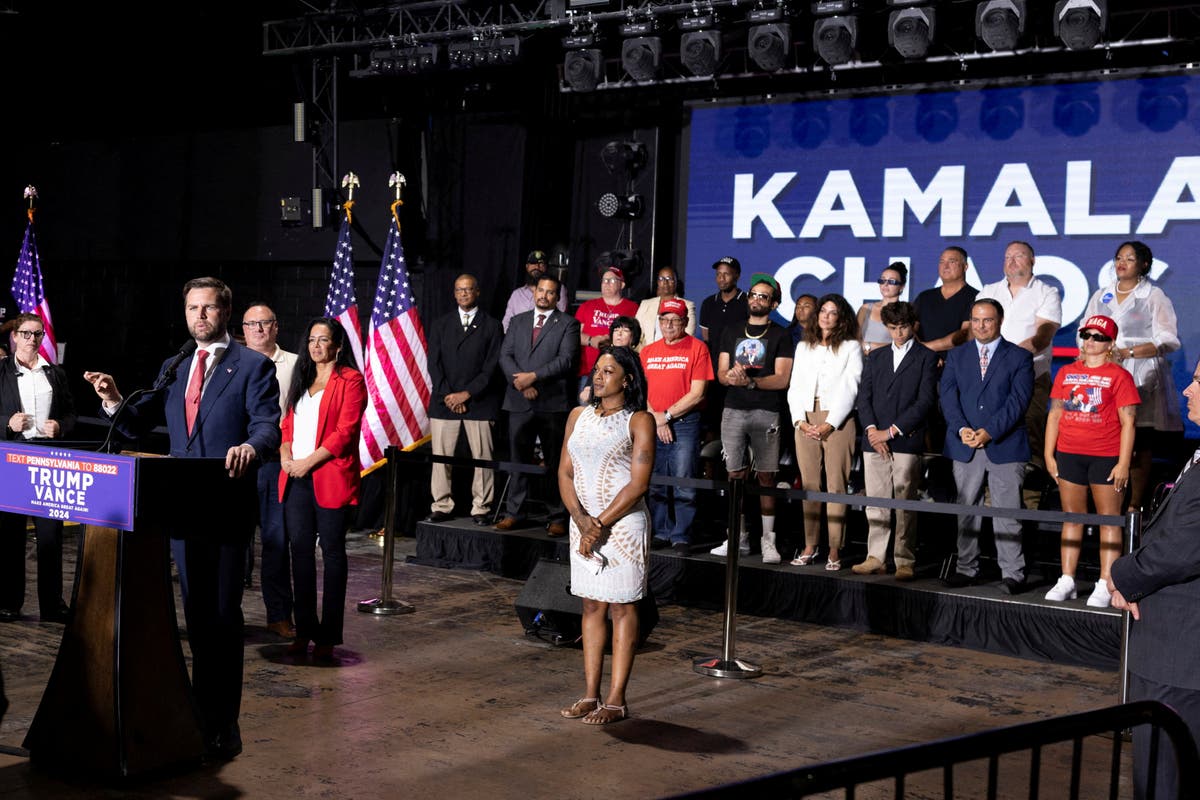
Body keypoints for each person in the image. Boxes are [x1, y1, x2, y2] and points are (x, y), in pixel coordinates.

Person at [84, 276, 280, 763]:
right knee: (196, 618)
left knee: (221, 617)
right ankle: (195, 713)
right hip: (182, 507)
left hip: (225, 505)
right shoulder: (175, 364)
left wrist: (250, 447)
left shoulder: (252, 366)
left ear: (225, 313)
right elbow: (136, 420)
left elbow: (268, 426)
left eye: (208, 309)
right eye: (193, 308)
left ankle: (223, 725)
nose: (200, 317)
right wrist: (113, 397)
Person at [1108, 356, 1200, 800]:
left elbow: (1184, 548)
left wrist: (1121, 575)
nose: (1186, 390)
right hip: (1171, 650)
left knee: (1166, 778)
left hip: (1181, 658)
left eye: (1198, 381)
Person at [557, 346, 655, 726]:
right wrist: (582, 521)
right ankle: (589, 693)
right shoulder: (578, 416)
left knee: (621, 607)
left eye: (608, 371)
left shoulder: (639, 419)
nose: (598, 376)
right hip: (581, 526)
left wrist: (598, 524)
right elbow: (564, 473)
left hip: (623, 527)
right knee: (591, 606)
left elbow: (638, 483)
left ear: (626, 379)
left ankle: (616, 699)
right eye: (597, 370)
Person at [278, 317, 367, 662]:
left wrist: (307, 462)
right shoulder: (301, 378)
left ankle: (327, 637)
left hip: (328, 476)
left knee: (331, 554)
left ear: (338, 345)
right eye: (312, 339)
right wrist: (286, 454)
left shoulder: (351, 380)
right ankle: (304, 631)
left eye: (323, 340)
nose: (316, 346)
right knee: (299, 554)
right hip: (295, 478)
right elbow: (287, 424)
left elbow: (345, 433)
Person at [1042, 315, 1139, 608]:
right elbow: (1055, 415)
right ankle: (1067, 579)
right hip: (1069, 453)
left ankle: (1105, 582)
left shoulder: (1120, 376)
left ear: (1110, 343)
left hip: (1106, 455)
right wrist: (1048, 454)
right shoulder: (1066, 373)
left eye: (1098, 337)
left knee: (1109, 521)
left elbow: (1129, 423)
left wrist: (1123, 463)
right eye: (1087, 335)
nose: (1091, 341)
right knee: (1072, 517)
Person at [939, 298, 1034, 594]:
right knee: (967, 510)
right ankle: (967, 569)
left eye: (988, 320)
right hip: (964, 444)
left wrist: (989, 432)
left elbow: (1018, 401)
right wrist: (962, 429)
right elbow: (947, 397)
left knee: (1008, 512)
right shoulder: (957, 356)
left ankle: (1013, 573)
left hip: (1004, 445)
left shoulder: (1019, 356)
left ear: (1000, 321)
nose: (981, 326)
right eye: (977, 320)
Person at [1084, 240, 1182, 514]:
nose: (1121, 263)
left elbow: (1169, 339)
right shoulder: (1101, 295)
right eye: (1118, 258)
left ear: (1144, 265)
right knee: (1105, 438)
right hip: (1103, 373)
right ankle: (1106, 505)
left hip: (1142, 373)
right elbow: (1086, 328)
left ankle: (1134, 506)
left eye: (1128, 258)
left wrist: (1127, 352)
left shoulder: (1153, 295)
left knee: (1138, 441)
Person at [710, 273, 794, 564]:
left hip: (766, 410)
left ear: (773, 304)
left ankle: (768, 540)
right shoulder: (731, 330)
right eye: (754, 295)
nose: (757, 299)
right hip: (733, 409)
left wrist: (751, 383)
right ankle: (738, 536)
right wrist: (731, 377)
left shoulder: (781, 335)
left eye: (764, 297)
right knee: (735, 475)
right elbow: (721, 374)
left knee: (767, 476)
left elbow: (782, 379)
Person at [853, 301, 939, 581]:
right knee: (876, 502)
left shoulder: (926, 356)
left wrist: (890, 432)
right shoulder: (875, 357)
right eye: (893, 328)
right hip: (873, 438)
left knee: (905, 502)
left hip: (905, 438)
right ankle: (875, 556)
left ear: (912, 325)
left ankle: (904, 559)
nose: (899, 333)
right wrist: (871, 430)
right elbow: (863, 398)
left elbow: (925, 401)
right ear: (886, 328)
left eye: (903, 327)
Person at [0, 313, 77, 623]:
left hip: (48, 460)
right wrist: (6, 423)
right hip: (13, 459)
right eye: (26, 333)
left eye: (37, 334)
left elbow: (72, 414)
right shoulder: (1, 372)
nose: (32, 339)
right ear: (15, 337)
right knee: (10, 535)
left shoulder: (55, 374)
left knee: (50, 536)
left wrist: (61, 426)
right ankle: (8, 601)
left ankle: (52, 604)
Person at [496, 274, 580, 537]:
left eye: (550, 292)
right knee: (518, 461)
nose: (544, 295)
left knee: (555, 463)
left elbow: (565, 360)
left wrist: (534, 377)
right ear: (534, 293)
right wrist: (522, 383)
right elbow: (504, 355)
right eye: (540, 290)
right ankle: (514, 513)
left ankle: (557, 515)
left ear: (558, 297)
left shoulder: (568, 323)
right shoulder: (518, 321)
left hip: (552, 404)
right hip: (519, 401)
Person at [787, 294, 863, 571]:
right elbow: (794, 387)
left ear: (841, 318)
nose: (826, 316)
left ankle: (834, 549)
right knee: (809, 485)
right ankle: (809, 545)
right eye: (823, 311)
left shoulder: (851, 347)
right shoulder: (803, 346)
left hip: (838, 420)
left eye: (833, 312)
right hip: (805, 417)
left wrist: (830, 424)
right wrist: (799, 421)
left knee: (836, 486)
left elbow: (851, 387)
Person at [977, 240, 1062, 474]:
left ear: (1033, 261)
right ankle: (990, 497)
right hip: (989, 379)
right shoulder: (988, 291)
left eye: (1019, 256)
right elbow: (977, 332)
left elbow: (1043, 335)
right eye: (1007, 257)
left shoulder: (1046, 292)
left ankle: (1030, 502)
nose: (1012, 261)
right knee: (990, 432)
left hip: (1031, 376)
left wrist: (1006, 361)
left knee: (1029, 433)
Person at [427, 274, 504, 526]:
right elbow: (434, 365)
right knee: (441, 458)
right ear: (454, 293)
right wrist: (449, 395)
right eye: (459, 290)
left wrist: (467, 394)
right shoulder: (440, 324)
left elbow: (491, 367)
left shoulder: (492, 326)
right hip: (444, 400)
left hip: (479, 402)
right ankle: (442, 505)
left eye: (468, 289)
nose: (463, 294)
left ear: (477, 292)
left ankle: (481, 507)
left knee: (482, 459)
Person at [240, 302, 297, 640]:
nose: (258, 329)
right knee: (233, 543)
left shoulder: (295, 364)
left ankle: (279, 615)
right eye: (251, 324)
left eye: (265, 323)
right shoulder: (227, 362)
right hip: (236, 463)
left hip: (275, 463)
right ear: (243, 329)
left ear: (276, 327)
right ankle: (226, 615)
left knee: (276, 542)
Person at [640, 298, 713, 553]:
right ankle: (661, 531)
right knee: (657, 482)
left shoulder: (697, 348)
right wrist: (656, 417)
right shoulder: (648, 351)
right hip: (652, 421)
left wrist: (666, 417)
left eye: (675, 320)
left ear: (684, 322)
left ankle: (681, 534)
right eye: (664, 319)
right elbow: (641, 390)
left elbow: (698, 393)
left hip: (684, 422)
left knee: (684, 482)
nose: (669, 324)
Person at [575, 264, 638, 399]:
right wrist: (592, 341)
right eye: (604, 280)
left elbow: (638, 337)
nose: (606, 284)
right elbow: (574, 335)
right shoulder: (587, 306)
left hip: (618, 371)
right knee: (587, 411)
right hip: (589, 371)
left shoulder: (633, 308)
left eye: (612, 280)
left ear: (622, 285)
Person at [913, 246, 978, 359]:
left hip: (955, 365)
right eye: (941, 261)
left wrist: (926, 349)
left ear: (965, 266)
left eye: (952, 261)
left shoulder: (976, 297)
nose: (945, 266)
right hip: (921, 363)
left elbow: (966, 334)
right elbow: (909, 328)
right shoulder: (924, 297)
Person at [579, 316, 642, 404]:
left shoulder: (637, 359)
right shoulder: (604, 355)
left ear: (633, 337)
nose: (619, 333)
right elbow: (587, 390)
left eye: (625, 330)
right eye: (616, 330)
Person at [501, 250, 568, 332]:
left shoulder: (558, 288)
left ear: (546, 267)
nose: (537, 267)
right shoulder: (517, 294)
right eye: (533, 263)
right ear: (527, 266)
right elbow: (506, 323)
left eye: (541, 264)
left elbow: (561, 319)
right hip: (518, 340)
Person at [635, 265, 696, 347]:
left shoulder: (687, 305)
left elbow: (689, 334)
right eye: (661, 279)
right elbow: (636, 333)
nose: (665, 282)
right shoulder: (645, 304)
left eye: (669, 279)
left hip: (675, 354)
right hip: (647, 355)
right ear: (657, 282)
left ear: (676, 282)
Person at [857, 262, 907, 356]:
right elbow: (854, 342)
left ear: (902, 286)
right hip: (863, 364)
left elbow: (904, 346)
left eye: (891, 281)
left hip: (888, 365)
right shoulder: (865, 308)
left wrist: (869, 346)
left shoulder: (905, 312)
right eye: (882, 280)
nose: (885, 284)